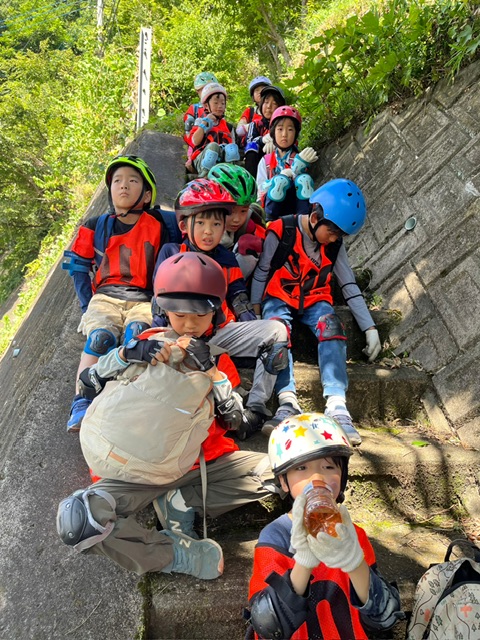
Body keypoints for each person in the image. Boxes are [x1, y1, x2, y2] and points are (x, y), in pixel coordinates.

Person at [56, 253, 280, 580]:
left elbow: (235, 423)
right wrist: (126, 354)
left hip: (202, 465)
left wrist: (212, 373)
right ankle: (175, 555)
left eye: (200, 314)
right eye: (179, 314)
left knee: (290, 469)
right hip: (139, 469)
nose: (189, 324)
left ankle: (180, 500)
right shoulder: (146, 343)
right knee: (79, 521)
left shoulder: (220, 361)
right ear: (163, 310)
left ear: (215, 312)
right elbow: (89, 383)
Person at [154, 178, 291, 439]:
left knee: (276, 331)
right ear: (184, 225)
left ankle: (256, 407)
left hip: (219, 332)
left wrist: (251, 326)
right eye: (201, 223)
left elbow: (238, 297)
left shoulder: (226, 257)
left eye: (216, 224)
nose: (209, 231)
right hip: (178, 335)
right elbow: (159, 302)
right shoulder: (171, 252)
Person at [247, 412, 403, 639]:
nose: (317, 478)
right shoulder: (276, 536)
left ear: (343, 476)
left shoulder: (353, 535)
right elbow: (267, 626)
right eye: (302, 468)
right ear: (283, 480)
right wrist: (303, 561)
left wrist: (354, 562)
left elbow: (384, 617)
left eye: (329, 467)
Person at [251, 179, 382, 444]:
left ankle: (337, 405)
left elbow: (348, 284)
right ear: (314, 217)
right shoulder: (281, 230)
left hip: (315, 298)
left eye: (339, 235)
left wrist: (369, 327)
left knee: (331, 325)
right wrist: (255, 311)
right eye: (332, 232)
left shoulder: (335, 245)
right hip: (278, 295)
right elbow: (262, 270)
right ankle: (287, 400)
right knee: (277, 329)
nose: (334, 239)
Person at [62, 155, 170, 433]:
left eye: (133, 181)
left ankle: (128, 402)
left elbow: (189, 220)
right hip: (105, 298)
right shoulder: (95, 225)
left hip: (144, 299)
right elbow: (78, 268)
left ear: (147, 194)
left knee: (137, 337)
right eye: (117, 181)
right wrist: (87, 307)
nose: (123, 186)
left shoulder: (160, 224)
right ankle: (81, 401)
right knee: (100, 338)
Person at [257, 105, 318, 222]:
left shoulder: (300, 158)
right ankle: (269, 222)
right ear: (273, 132)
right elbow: (260, 190)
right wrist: (279, 178)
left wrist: (297, 168)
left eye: (290, 130)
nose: (284, 134)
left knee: (304, 179)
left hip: (294, 205)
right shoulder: (265, 160)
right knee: (280, 181)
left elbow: (305, 186)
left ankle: (304, 221)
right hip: (271, 206)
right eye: (280, 129)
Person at [207, 163, 266, 281]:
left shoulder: (250, 226)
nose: (237, 219)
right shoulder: (196, 228)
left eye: (243, 211)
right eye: (231, 212)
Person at [187, 82, 239, 177]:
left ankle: (231, 174)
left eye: (223, 103)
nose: (220, 106)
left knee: (231, 148)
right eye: (216, 103)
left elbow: (232, 146)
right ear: (206, 106)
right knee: (213, 146)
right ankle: (204, 175)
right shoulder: (200, 121)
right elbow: (195, 141)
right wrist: (204, 124)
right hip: (201, 160)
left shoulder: (228, 127)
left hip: (220, 161)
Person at [244, 85, 286, 179]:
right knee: (252, 147)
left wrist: (275, 142)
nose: (269, 107)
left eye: (274, 103)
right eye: (266, 102)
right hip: (258, 158)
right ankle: (250, 181)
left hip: (279, 161)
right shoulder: (255, 124)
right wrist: (262, 140)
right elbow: (249, 142)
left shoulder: (285, 125)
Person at [183, 71, 218, 172]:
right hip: (197, 138)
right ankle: (192, 158)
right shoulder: (195, 108)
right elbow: (189, 127)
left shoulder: (217, 108)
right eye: (203, 89)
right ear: (198, 91)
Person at [236, 76, 272, 149]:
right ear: (253, 96)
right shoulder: (250, 111)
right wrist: (253, 126)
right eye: (257, 90)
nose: (260, 92)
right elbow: (239, 129)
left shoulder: (275, 110)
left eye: (263, 89)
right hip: (251, 145)